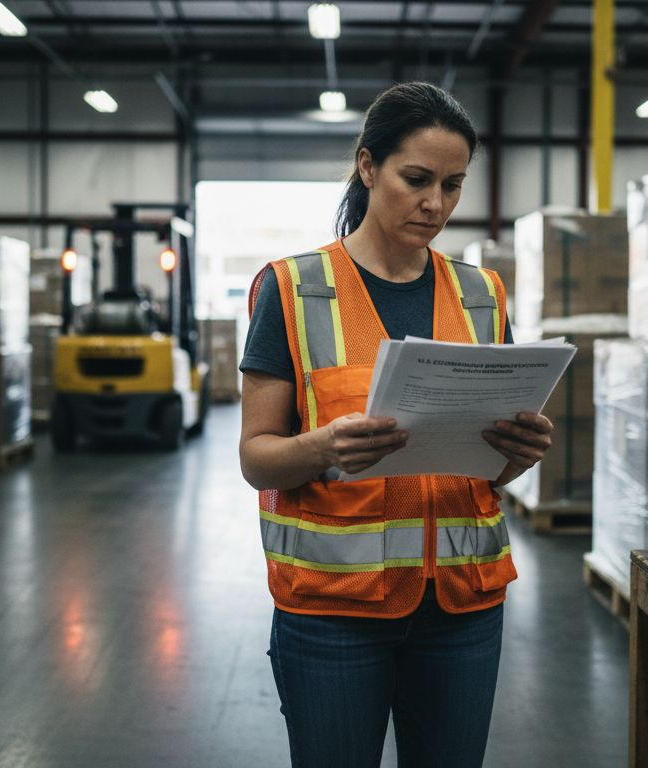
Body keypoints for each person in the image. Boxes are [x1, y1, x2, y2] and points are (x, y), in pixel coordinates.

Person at [238, 82, 554, 768]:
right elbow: (257, 458)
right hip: (332, 612)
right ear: (367, 166)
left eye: (452, 185)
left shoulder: (481, 294)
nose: (435, 203)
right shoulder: (292, 290)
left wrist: (519, 453)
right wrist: (323, 446)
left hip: (463, 607)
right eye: (416, 179)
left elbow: (486, 460)